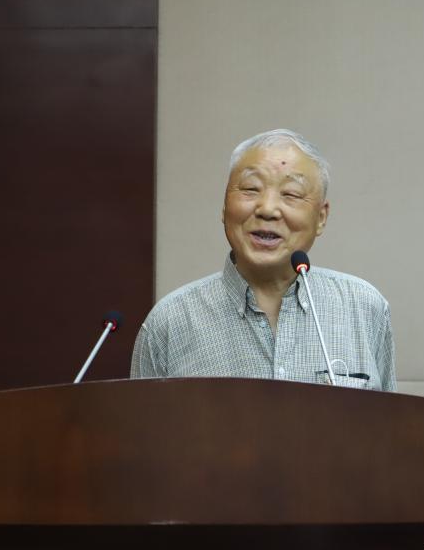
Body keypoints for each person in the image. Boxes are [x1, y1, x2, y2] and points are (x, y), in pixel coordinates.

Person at [131, 129, 396, 391]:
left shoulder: (364, 308)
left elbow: (386, 419)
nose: (267, 209)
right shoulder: (169, 322)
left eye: (291, 194)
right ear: (224, 205)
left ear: (321, 217)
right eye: (250, 189)